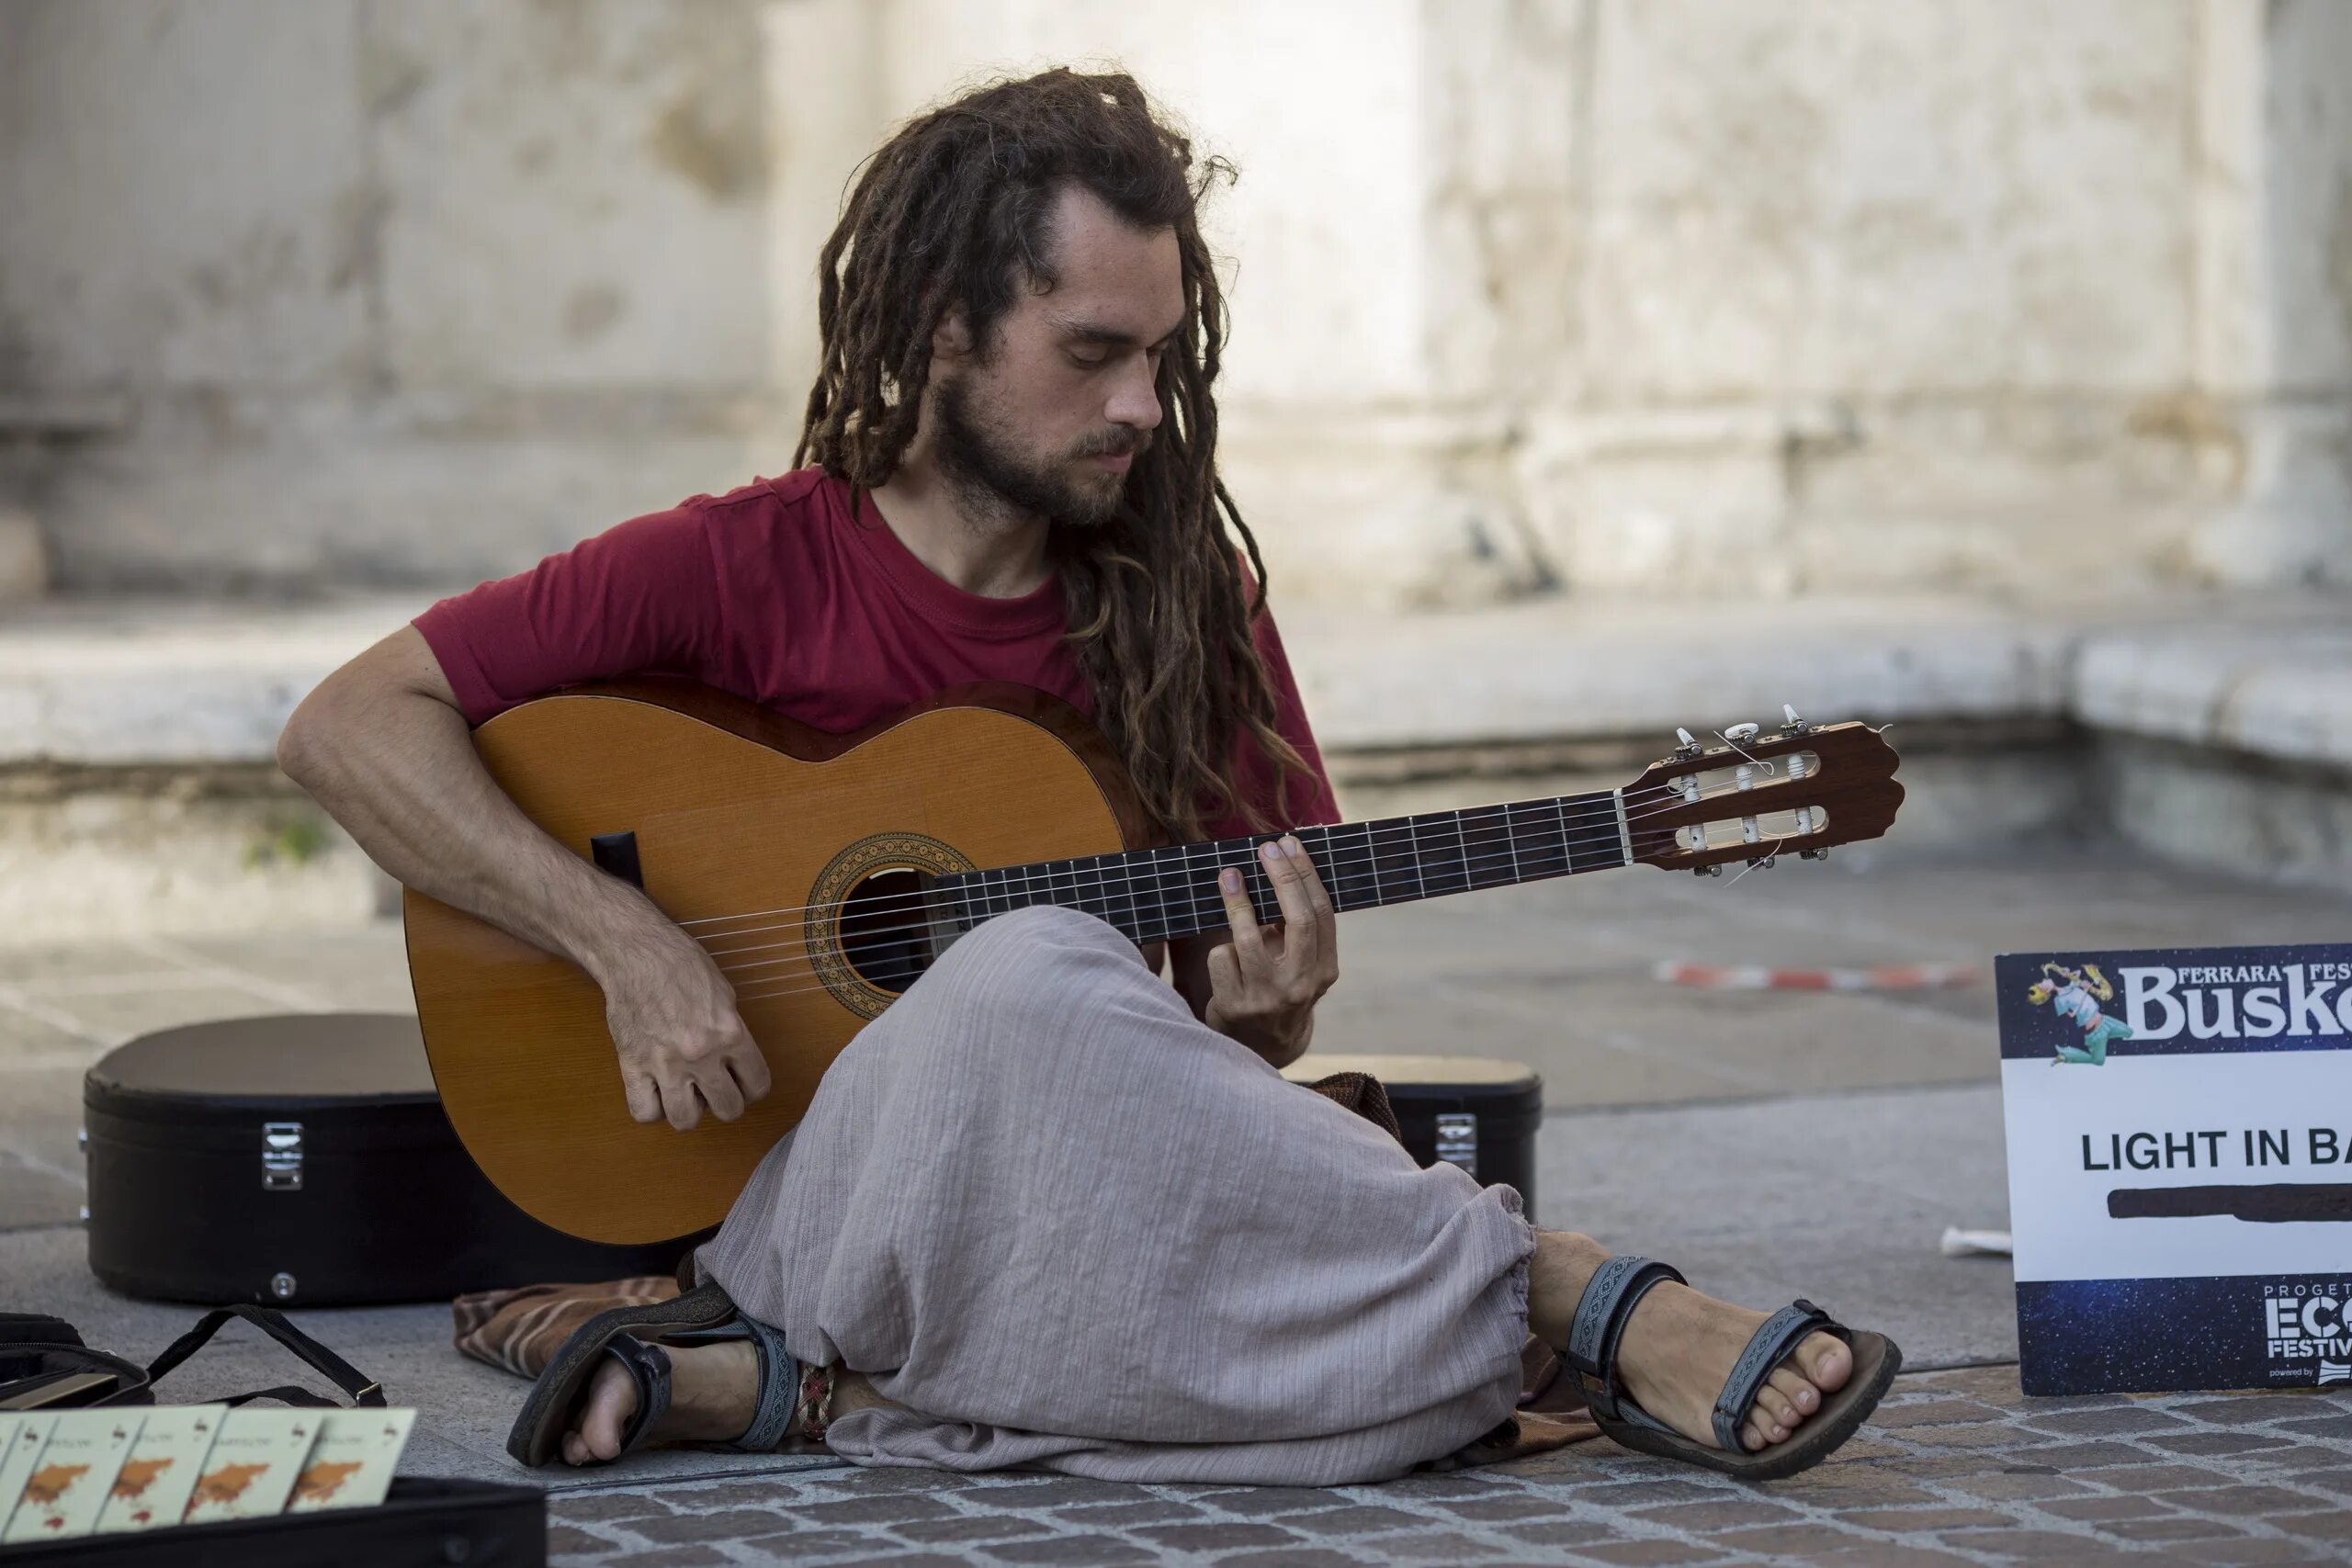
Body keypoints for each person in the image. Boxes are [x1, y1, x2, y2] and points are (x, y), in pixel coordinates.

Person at [278, 67, 1896, 1485]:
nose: (1141, 403)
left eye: (1161, 354)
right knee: (1034, 961)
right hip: (789, 1204)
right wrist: (619, 940)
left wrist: (1261, 1028)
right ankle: (1569, 1294)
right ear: (941, 328)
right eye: (1093, 351)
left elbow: (1167, 1081)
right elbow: (347, 727)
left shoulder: (1185, 611)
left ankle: (809, 1399)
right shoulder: (737, 565)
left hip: (1045, 1225)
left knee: (1349, 1395)